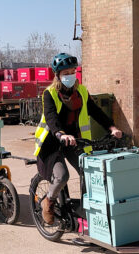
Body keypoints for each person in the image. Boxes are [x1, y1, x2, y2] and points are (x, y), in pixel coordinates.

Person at [33, 53, 123, 224]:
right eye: (66, 73)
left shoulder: (81, 91)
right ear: (58, 75)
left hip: (73, 141)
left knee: (89, 172)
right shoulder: (49, 93)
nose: (70, 76)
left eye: (72, 71)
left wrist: (112, 127)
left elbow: (95, 111)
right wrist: (60, 133)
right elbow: (51, 117)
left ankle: (87, 209)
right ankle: (49, 201)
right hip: (52, 143)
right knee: (62, 176)